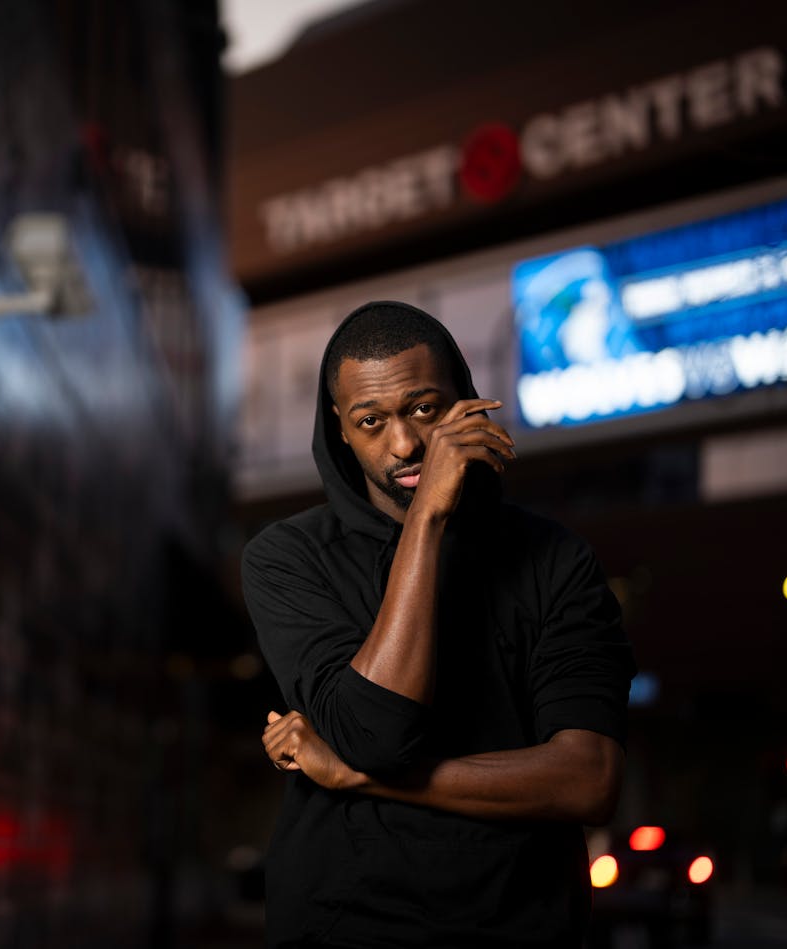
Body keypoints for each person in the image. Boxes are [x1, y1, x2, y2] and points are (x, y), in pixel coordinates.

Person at [241, 301, 636, 948]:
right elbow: (377, 731)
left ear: (464, 403)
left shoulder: (554, 560)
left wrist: (355, 776)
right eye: (371, 422)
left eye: (424, 409)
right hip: (342, 924)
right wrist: (426, 517)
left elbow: (588, 779)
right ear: (340, 428)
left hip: (522, 925)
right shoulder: (287, 558)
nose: (403, 444)